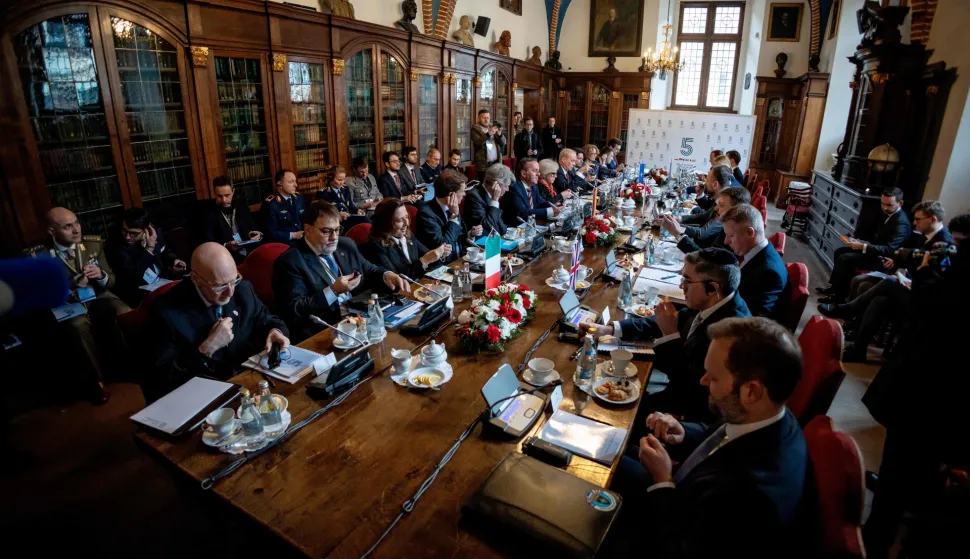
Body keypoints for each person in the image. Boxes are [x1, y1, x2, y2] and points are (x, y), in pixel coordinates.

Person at [609, 317, 808, 559]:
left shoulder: (749, 496)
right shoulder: (768, 414)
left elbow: (675, 548)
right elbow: (721, 435)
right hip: (685, 492)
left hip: (664, 524)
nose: (703, 381)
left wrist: (663, 481)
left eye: (713, 378)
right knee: (610, 446)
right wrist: (684, 431)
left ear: (751, 391)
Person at [860, 213, 970, 559]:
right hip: (935, 382)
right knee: (915, 461)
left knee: (905, 454)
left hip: (930, 384)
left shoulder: (958, 270)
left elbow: (930, 309)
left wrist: (926, 270)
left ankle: (878, 533)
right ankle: (906, 497)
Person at [581, 248, 751, 422]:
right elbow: (666, 320)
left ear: (712, 288)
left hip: (685, 414)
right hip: (676, 395)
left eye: (687, 280)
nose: (681, 286)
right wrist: (609, 329)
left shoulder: (730, 333)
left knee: (594, 409)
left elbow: (689, 385)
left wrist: (670, 336)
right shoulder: (714, 302)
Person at [143, 243, 289, 402]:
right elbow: (162, 378)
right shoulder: (166, 312)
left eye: (234, 280)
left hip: (250, 384)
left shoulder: (243, 290)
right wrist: (206, 349)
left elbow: (268, 319)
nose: (230, 292)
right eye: (220, 286)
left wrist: (276, 331)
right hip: (202, 396)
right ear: (196, 278)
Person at [818, 200, 953, 362]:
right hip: (910, 286)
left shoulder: (943, 242)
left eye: (918, 219)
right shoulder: (925, 236)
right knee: (877, 299)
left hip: (922, 299)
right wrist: (898, 265)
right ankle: (858, 347)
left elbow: (934, 279)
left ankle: (848, 310)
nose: (914, 223)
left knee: (889, 283)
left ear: (932, 219)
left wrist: (908, 276)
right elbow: (911, 261)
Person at [23, 207, 128, 404]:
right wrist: (70, 287)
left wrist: (102, 276)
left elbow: (112, 279)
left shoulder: (92, 245)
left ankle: (131, 365)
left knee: (124, 311)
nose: (76, 230)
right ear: (52, 231)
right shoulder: (38, 256)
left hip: (97, 296)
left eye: (77, 223)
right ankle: (96, 381)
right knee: (78, 326)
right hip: (67, 304)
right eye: (68, 226)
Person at [272, 200, 408, 342]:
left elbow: (369, 270)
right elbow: (295, 309)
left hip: (360, 318)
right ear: (308, 229)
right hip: (326, 330)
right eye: (326, 231)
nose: (334, 237)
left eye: (337, 230)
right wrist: (333, 291)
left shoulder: (345, 245)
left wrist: (387, 275)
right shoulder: (290, 261)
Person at [816, 187, 911, 303]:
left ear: (900, 203)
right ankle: (834, 287)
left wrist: (864, 247)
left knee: (845, 259)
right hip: (874, 250)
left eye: (889, 205)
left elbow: (890, 249)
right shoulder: (888, 214)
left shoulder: (901, 222)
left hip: (883, 259)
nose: (885, 208)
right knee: (840, 251)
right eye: (883, 203)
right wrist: (863, 242)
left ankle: (839, 296)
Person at [106, 207, 187, 308]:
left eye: (133, 233)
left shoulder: (155, 233)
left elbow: (165, 251)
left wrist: (174, 260)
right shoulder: (115, 245)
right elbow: (133, 273)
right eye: (124, 230)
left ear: (146, 229)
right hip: (137, 291)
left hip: (161, 282)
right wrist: (149, 249)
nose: (127, 236)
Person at [721, 204, 787, 319]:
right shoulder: (754, 253)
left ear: (749, 233)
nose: (726, 241)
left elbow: (754, 322)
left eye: (730, 235)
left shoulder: (769, 272)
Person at [362, 198, 449, 280]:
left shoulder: (408, 234)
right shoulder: (376, 245)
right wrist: (424, 261)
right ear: (386, 223)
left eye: (407, 217)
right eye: (400, 220)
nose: (406, 223)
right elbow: (397, 279)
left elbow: (429, 257)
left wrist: (440, 254)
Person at [415, 169, 481, 262]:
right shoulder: (426, 213)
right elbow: (444, 246)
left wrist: (470, 234)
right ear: (451, 195)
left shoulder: (453, 207)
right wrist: (454, 216)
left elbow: (457, 237)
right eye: (462, 191)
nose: (464, 194)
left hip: (461, 260)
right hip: (443, 265)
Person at [661, 186, 750, 253]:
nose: (716, 209)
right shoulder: (728, 227)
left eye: (721, 205)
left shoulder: (730, 234)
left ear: (735, 210)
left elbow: (707, 260)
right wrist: (676, 222)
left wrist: (678, 233)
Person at [200, 176, 263, 264]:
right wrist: (226, 246)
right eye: (219, 196)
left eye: (227, 195)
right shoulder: (208, 213)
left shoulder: (241, 206)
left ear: (233, 192)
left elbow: (253, 229)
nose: (224, 200)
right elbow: (207, 243)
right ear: (214, 194)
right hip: (224, 258)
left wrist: (255, 234)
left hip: (249, 252)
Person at [502, 158, 562, 226]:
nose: (538, 174)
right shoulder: (514, 189)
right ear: (524, 173)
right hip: (515, 229)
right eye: (535, 171)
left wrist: (556, 207)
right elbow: (524, 213)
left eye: (538, 171)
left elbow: (541, 203)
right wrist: (551, 211)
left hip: (530, 226)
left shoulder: (533, 187)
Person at [463, 163, 512, 237]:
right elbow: (488, 226)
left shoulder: (491, 194)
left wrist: (504, 233)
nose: (507, 190)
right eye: (506, 186)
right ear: (495, 184)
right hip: (481, 243)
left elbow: (500, 223)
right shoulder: (473, 196)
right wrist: (495, 200)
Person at [316, 165, 370, 230]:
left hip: (349, 219)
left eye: (344, 179)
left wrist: (357, 211)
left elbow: (350, 206)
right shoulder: (323, 193)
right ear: (330, 179)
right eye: (339, 180)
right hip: (335, 223)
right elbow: (322, 214)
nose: (342, 182)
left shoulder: (345, 188)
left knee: (365, 221)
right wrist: (338, 215)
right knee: (364, 220)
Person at [261, 169, 306, 244]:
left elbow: (304, 220)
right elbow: (271, 233)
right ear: (279, 184)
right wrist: (293, 235)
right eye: (291, 182)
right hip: (285, 244)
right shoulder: (271, 204)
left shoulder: (298, 198)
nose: (296, 185)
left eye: (295, 181)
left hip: (303, 240)